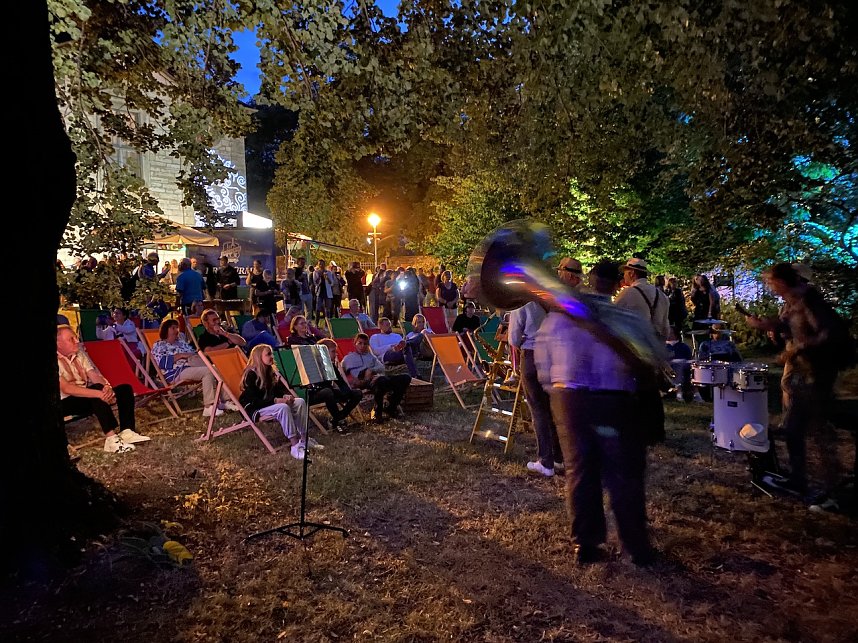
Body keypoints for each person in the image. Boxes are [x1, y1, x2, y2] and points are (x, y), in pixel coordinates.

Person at [535, 260, 657, 566]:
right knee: (624, 474)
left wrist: (558, 393)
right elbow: (649, 358)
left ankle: (586, 544)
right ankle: (635, 548)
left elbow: (543, 365)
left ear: (589, 278)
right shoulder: (624, 317)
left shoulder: (558, 318)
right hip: (615, 400)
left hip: (570, 399)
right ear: (619, 283)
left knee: (580, 471)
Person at [744, 262, 847, 511]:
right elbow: (791, 328)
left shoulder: (808, 300)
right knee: (795, 429)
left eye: (771, 281)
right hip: (807, 374)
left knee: (818, 434)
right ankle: (801, 480)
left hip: (817, 375)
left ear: (782, 280)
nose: (769, 285)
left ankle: (837, 495)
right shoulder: (794, 301)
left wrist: (797, 350)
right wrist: (767, 325)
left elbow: (829, 333)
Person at [57, 325, 149, 454]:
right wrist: (98, 392)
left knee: (124, 389)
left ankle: (127, 431)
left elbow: (93, 375)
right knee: (96, 392)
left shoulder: (79, 354)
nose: (77, 341)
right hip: (64, 402)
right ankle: (111, 439)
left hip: (85, 397)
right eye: (71, 339)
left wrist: (107, 388)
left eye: (75, 337)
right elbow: (66, 388)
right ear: (57, 343)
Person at [509, 299, 562, 477]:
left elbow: (514, 339)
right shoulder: (553, 299)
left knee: (538, 409)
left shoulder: (521, 303)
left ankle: (545, 461)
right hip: (555, 357)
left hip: (532, 356)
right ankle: (559, 458)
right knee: (552, 408)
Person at [150, 319, 238, 417]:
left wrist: (190, 355)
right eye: (173, 328)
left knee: (217, 368)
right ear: (165, 330)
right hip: (176, 371)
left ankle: (224, 401)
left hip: (191, 365)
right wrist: (180, 355)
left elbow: (193, 354)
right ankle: (209, 406)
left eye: (177, 328)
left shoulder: (181, 343)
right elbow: (162, 363)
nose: (176, 330)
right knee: (208, 371)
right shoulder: (159, 345)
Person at [239, 344, 308, 460]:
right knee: (283, 407)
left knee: (299, 402)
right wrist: (276, 400)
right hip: (256, 407)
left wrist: (285, 396)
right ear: (258, 357)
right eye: (268, 354)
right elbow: (254, 400)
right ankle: (295, 445)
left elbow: (278, 391)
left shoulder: (270, 371)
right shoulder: (251, 375)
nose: (272, 356)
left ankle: (305, 439)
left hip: (270, 404)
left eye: (271, 353)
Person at [342, 332, 411, 424]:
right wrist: (352, 382)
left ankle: (391, 407)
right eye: (360, 343)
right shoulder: (348, 358)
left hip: (378, 378)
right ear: (355, 343)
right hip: (363, 381)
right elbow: (341, 373)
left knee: (406, 377)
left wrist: (371, 370)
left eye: (365, 344)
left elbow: (382, 367)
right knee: (381, 381)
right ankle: (377, 412)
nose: (362, 346)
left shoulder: (370, 356)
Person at [312, 338, 363, 433]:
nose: (336, 354)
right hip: (315, 393)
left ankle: (336, 420)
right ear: (323, 352)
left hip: (329, 392)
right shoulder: (313, 365)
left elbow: (341, 382)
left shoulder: (330, 365)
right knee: (328, 391)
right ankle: (340, 421)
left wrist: (347, 393)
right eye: (333, 352)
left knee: (357, 393)